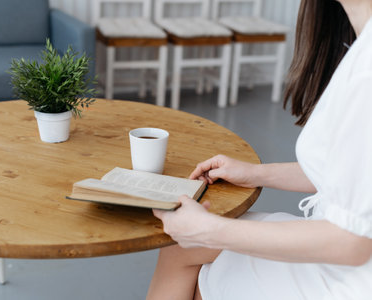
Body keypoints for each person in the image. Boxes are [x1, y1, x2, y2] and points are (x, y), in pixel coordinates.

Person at [146, 0, 372, 299]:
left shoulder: (366, 71)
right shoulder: (358, 45)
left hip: (349, 276)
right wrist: (255, 173)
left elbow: (352, 242)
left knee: (190, 255)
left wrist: (207, 228)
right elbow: (352, 174)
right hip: (340, 250)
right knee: (180, 251)